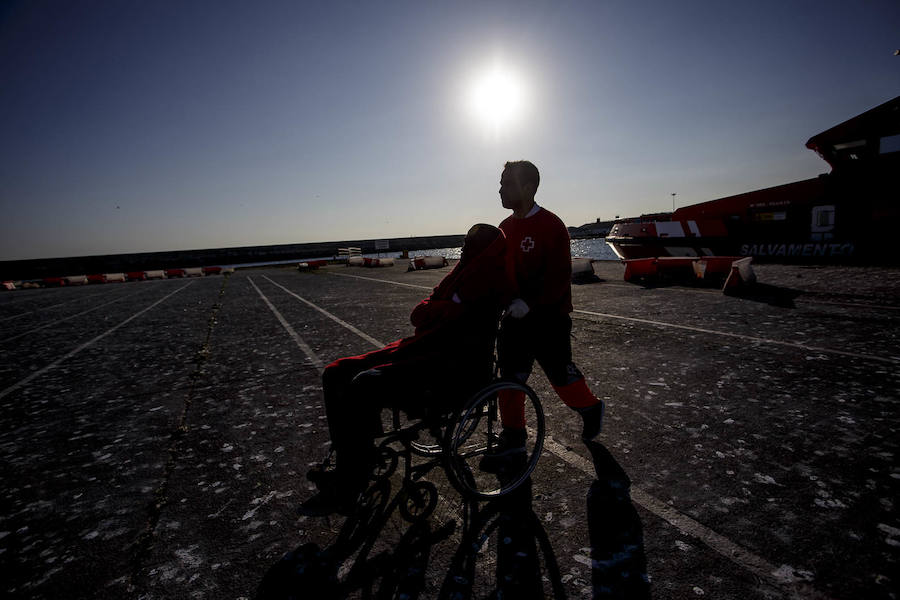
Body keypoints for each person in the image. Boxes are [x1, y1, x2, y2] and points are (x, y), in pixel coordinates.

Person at [301, 224, 509, 515]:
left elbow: (443, 320)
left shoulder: (489, 283)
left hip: (451, 370)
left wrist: (440, 307)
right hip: (422, 350)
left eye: (468, 244)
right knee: (335, 372)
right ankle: (355, 458)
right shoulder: (459, 275)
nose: (462, 248)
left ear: (483, 252)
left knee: (364, 383)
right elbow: (419, 313)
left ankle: (351, 483)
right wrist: (446, 306)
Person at [482, 160, 604, 468]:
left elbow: (559, 278)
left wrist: (530, 303)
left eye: (506, 184)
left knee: (561, 378)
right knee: (510, 378)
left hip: (549, 318)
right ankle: (514, 438)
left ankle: (590, 408)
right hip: (514, 319)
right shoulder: (505, 229)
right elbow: (499, 273)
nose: (500, 189)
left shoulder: (551, 226)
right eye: (500, 183)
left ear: (528, 188)